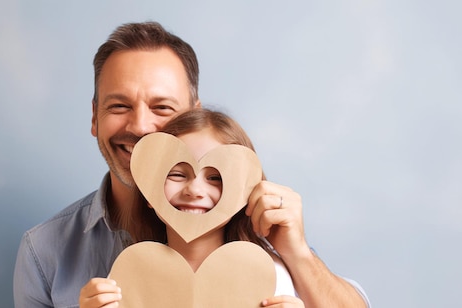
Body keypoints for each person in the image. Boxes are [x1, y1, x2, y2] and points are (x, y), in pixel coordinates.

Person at [13, 21, 369, 308]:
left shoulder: (262, 237)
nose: (139, 127)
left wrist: (299, 254)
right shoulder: (44, 251)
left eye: (162, 108)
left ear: (194, 118)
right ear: (94, 117)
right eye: (119, 106)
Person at [79, 108, 304, 307]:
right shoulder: (131, 274)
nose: (194, 189)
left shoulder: (268, 274)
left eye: (215, 178)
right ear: (150, 192)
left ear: (242, 194)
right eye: (177, 174)